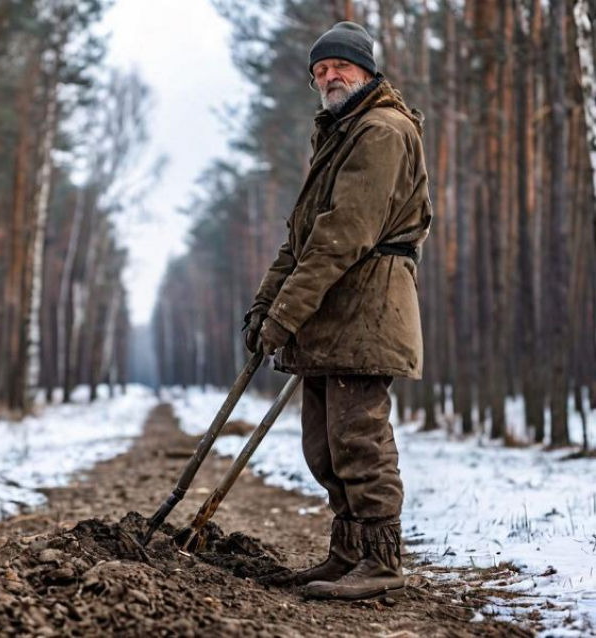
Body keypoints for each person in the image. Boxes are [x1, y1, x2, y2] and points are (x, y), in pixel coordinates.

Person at [244, 21, 432, 600]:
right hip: (332, 314)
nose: (329, 77)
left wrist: (285, 315)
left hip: (367, 308)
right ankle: (346, 555)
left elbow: (342, 235)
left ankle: (382, 564)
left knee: (359, 441)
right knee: (324, 448)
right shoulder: (340, 134)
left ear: (368, 71)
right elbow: (301, 237)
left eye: (340, 67)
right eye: (320, 71)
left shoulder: (381, 130)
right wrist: (264, 307)